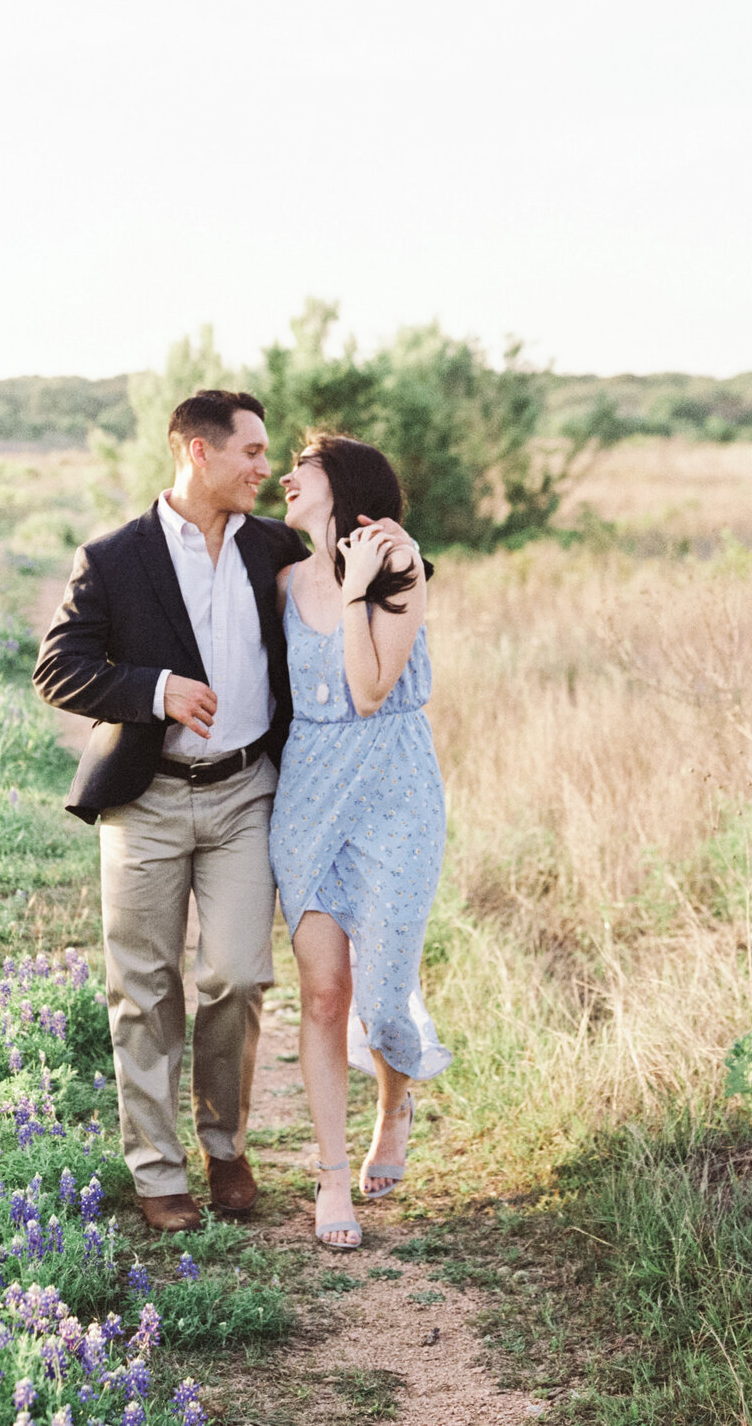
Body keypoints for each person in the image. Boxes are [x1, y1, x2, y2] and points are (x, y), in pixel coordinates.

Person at [32, 391, 412, 1233]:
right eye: (250, 452)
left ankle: (225, 1146)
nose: (264, 468)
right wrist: (156, 691)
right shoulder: (112, 558)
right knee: (144, 988)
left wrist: (398, 541)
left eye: (272, 454)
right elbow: (58, 669)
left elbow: (365, 571)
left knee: (238, 976)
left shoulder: (272, 547)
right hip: (147, 797)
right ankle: (158, 1169)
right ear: (197, 453)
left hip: (248, 794)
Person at [270, 434, 451, 1250]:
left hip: (395, 794)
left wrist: (351, 590)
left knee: (381, 996)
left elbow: (372, 689)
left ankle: (395, 1103)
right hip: (310, 793)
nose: (283, 479)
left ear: (337, 484)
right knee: (321, 993)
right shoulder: (278, 579)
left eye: (298, 470)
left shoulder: (398, 569)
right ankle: (332, 1177)